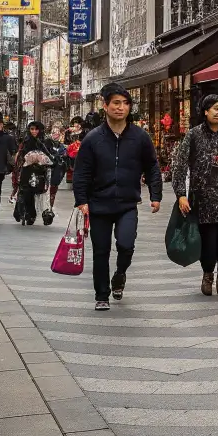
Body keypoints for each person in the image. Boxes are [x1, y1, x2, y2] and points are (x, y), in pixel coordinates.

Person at [72, 83, 162, 311]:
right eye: (116, 103)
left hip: (127, 204)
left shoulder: (140, 137)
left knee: (126, 244)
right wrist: (81, 200)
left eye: (125, 104)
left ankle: (120, 274)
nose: (121, 108)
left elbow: (152, 166)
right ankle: (101, 294)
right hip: (98, 205)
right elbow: (81, 172)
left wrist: (155, 194)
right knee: (101, 251)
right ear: (105, 106)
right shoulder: (93, 139)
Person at [172, 94, 218, 297]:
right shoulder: (194, 135)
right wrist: (181, 195)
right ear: (205, 111)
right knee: (208, 242)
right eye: (214, 108)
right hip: (204, 201)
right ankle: (207, 275)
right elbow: (180, 166)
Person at [11, 120, 54, 226]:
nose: (34, 131)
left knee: (41, 192)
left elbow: (50, 155)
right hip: (27, 170)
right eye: (32, 129)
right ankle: (30, 214)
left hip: (41, 170)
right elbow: (20, 157)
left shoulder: (45, 142)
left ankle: (44, 214)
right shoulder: (25, 142)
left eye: (36, 129)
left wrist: (46, 161)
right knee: (26, 192)